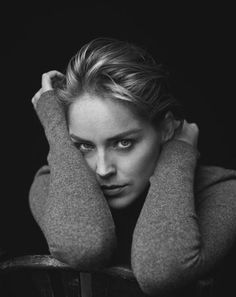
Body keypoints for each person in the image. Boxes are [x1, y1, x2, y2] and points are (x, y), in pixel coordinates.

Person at [29, 37, 236, 296]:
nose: (103, 170)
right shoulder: (51, 180)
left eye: (124, 143)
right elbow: (84, 247)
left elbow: (160, 271)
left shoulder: (221, 191)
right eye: (83, 146)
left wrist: (178, 153)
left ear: (166, 129)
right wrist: (55, 128)